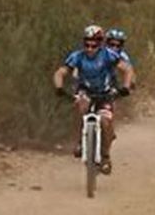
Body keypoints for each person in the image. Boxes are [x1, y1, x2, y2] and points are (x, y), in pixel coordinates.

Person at [52, 24, 133, 173]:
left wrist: (126, 87)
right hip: (86, 91)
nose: (89, 48)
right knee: (80, 105)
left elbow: (127, 69)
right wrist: (59, 87)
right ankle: (80, 141)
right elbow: (61, 72)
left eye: (94, 45)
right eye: (87, 44)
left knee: (105, 121)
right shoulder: (77, 56)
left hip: (105, 92)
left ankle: (106, 156)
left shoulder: (109, 55)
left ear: (100, 44)